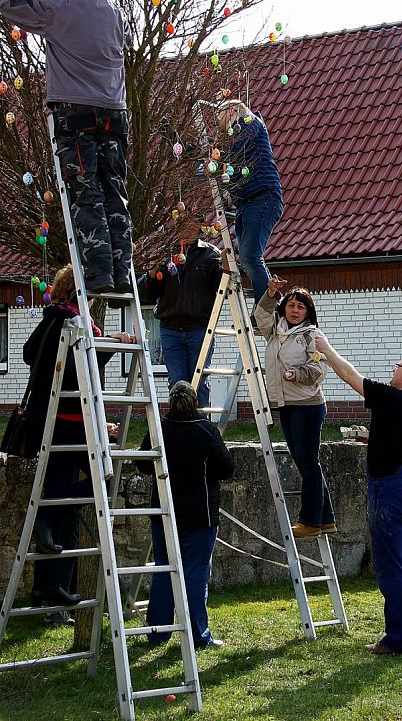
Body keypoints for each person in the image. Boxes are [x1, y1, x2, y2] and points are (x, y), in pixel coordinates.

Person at [0, 0, 132, 295]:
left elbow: (9, 4)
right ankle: (122, 271)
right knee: (114, 191)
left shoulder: (59, 7)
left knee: (86, 192)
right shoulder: (116, 15)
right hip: (115, 112)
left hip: (75, 113)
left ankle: (100, 274)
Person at [23, 264, 136, 622]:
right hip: (70, 422)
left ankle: (48, 585)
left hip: (62, 421)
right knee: (101, 481)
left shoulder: (56, 318)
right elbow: (79, 364)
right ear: (76, 291)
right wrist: (110, 343)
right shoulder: (68, 320)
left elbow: (34, 354)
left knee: (62, 500)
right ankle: (47, 529)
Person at [314, 337, 402, 655]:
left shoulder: (393, 399)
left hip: (391, 492)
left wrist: (326, 349)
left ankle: (397, 640)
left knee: (391, 565)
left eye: (397, 366)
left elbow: (351, 376)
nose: (393, 371)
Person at [136, 381, 234, 649]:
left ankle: (158, 632)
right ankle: (197, 635)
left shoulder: (160, 428)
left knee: (164, 570)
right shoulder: (206, 430)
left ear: (171, 403)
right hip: (200, 515)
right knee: (195, 574)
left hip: (164, 512)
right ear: (196, 403)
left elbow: (142, 464)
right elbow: (226, 468)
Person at [255, 278, 336, 539]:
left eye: (300, 307)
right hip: (286, 404)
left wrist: (297, 374)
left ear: (307, 312)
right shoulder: (275, 330)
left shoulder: (313, 335)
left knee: (308, 462)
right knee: (304, 462)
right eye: (291, 305)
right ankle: (326, 519)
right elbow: (260, 315)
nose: (295, 310)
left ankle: (310, 521)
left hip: (308, 405)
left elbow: (320, 368)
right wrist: (270, 293)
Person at [138, 212, 223, 407]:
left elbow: (222, 289)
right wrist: (151, 274)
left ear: (200, 227)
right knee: (176, 384)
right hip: (171, 329)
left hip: (200, 329)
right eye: (184, 224)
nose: (188, 229)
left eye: (192, 224)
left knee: (199, 382)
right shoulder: (165, 254)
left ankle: (200, 422)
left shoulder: (210, 255)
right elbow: (146, 294)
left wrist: (227, 266)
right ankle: (179, 422)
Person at [217, 99, 283, 304]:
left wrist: (215, 157)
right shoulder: (243, 131)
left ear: (232, 110)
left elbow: (237, 148)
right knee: (249, 257)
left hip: (261, 197)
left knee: (250, 256)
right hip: (248, 201)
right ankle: (268, 301)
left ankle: (266, 307)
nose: (221, 126)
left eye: (221, 117)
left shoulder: (249, 121)